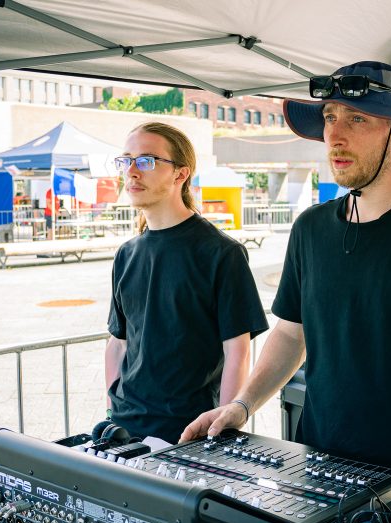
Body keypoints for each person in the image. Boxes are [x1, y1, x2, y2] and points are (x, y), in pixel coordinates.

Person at [182, 61, 391, 519]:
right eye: (331, 117)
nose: (335, 135)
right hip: (314, 476)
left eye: (358, 119)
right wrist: (241, 404)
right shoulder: (310, 229)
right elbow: (290, 335)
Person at [104, 121, 268, 444]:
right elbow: (117, 343)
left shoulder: (222, 253)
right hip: (124, 429)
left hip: (188, 433)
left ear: (180, 174)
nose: (132, 171)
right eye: (126, 160)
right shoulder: (126, 254)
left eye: (147, 161)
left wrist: (222, 430)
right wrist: (111, 408)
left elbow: (237, 351)